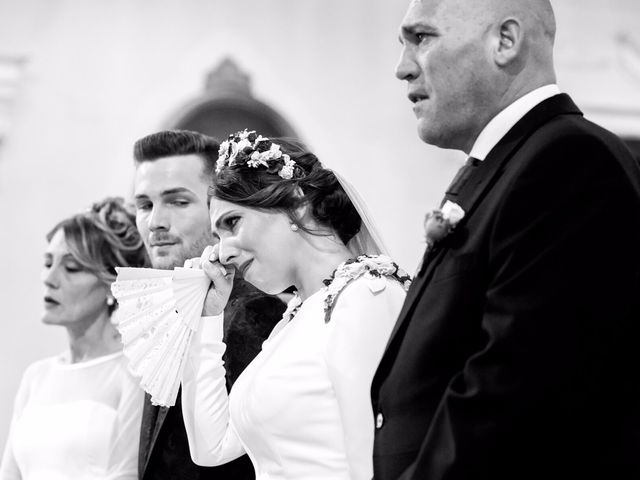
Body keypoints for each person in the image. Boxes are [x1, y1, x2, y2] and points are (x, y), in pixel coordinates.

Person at [371, 1, 640, 479]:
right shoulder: (508, 164)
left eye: (422, 38)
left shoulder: (568, 163)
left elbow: (513, 398)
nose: (402, 68)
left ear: (505, 41)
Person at [179, 130, 410, 480]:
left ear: (296, 203)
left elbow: (376, 461)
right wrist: (209, 319)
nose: (222, 252)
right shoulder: (293, 318)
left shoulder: (366, 297)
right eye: (217, 236)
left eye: (232, 223)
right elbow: (210, 449)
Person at [132, 129, 285, 480]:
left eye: (177, 202)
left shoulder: (255, 312)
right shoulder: (161, 310)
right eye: (144, 205)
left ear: (218, 210)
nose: (155, 222)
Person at [0, 197, 149, 480]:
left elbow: (127, 472)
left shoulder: (133, 371)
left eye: (71, 268)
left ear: (110, 283)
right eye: (47, 263)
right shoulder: (37, 376)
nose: (50, 278)